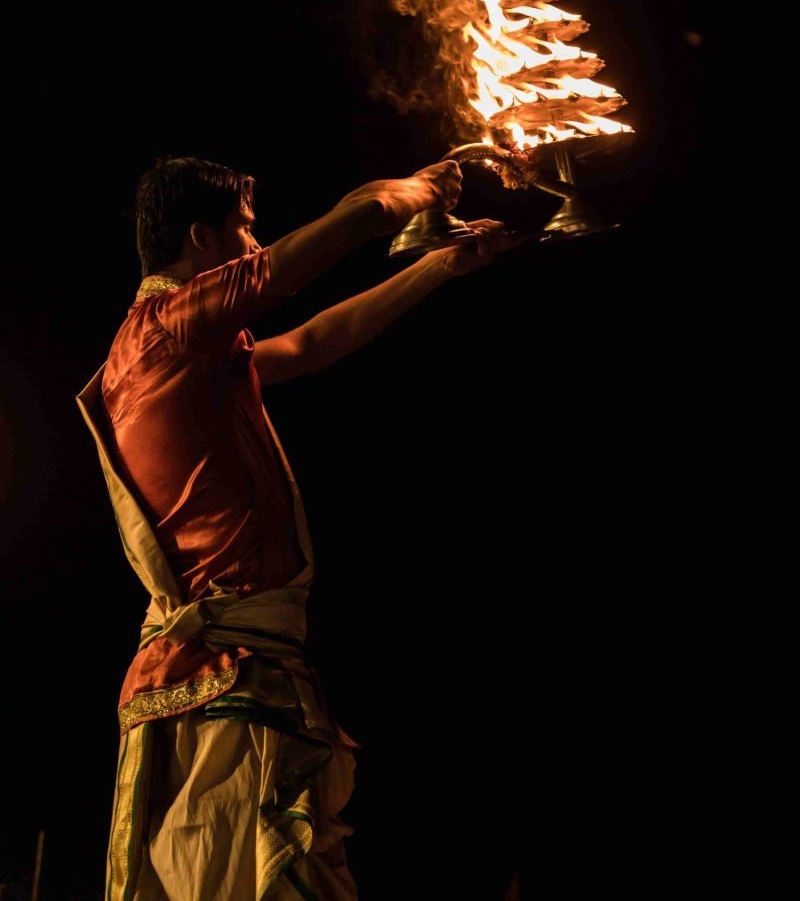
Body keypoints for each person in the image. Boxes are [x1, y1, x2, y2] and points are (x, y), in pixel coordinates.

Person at [76, 154, 524, 901]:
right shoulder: (168, 328)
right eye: (245, 230)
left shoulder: (189, 351)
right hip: (222, 672)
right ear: (201, 239)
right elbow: (283, 272)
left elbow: (312, 344)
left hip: (240, 666)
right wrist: (394, 200)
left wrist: (441, 266)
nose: (255, 244)